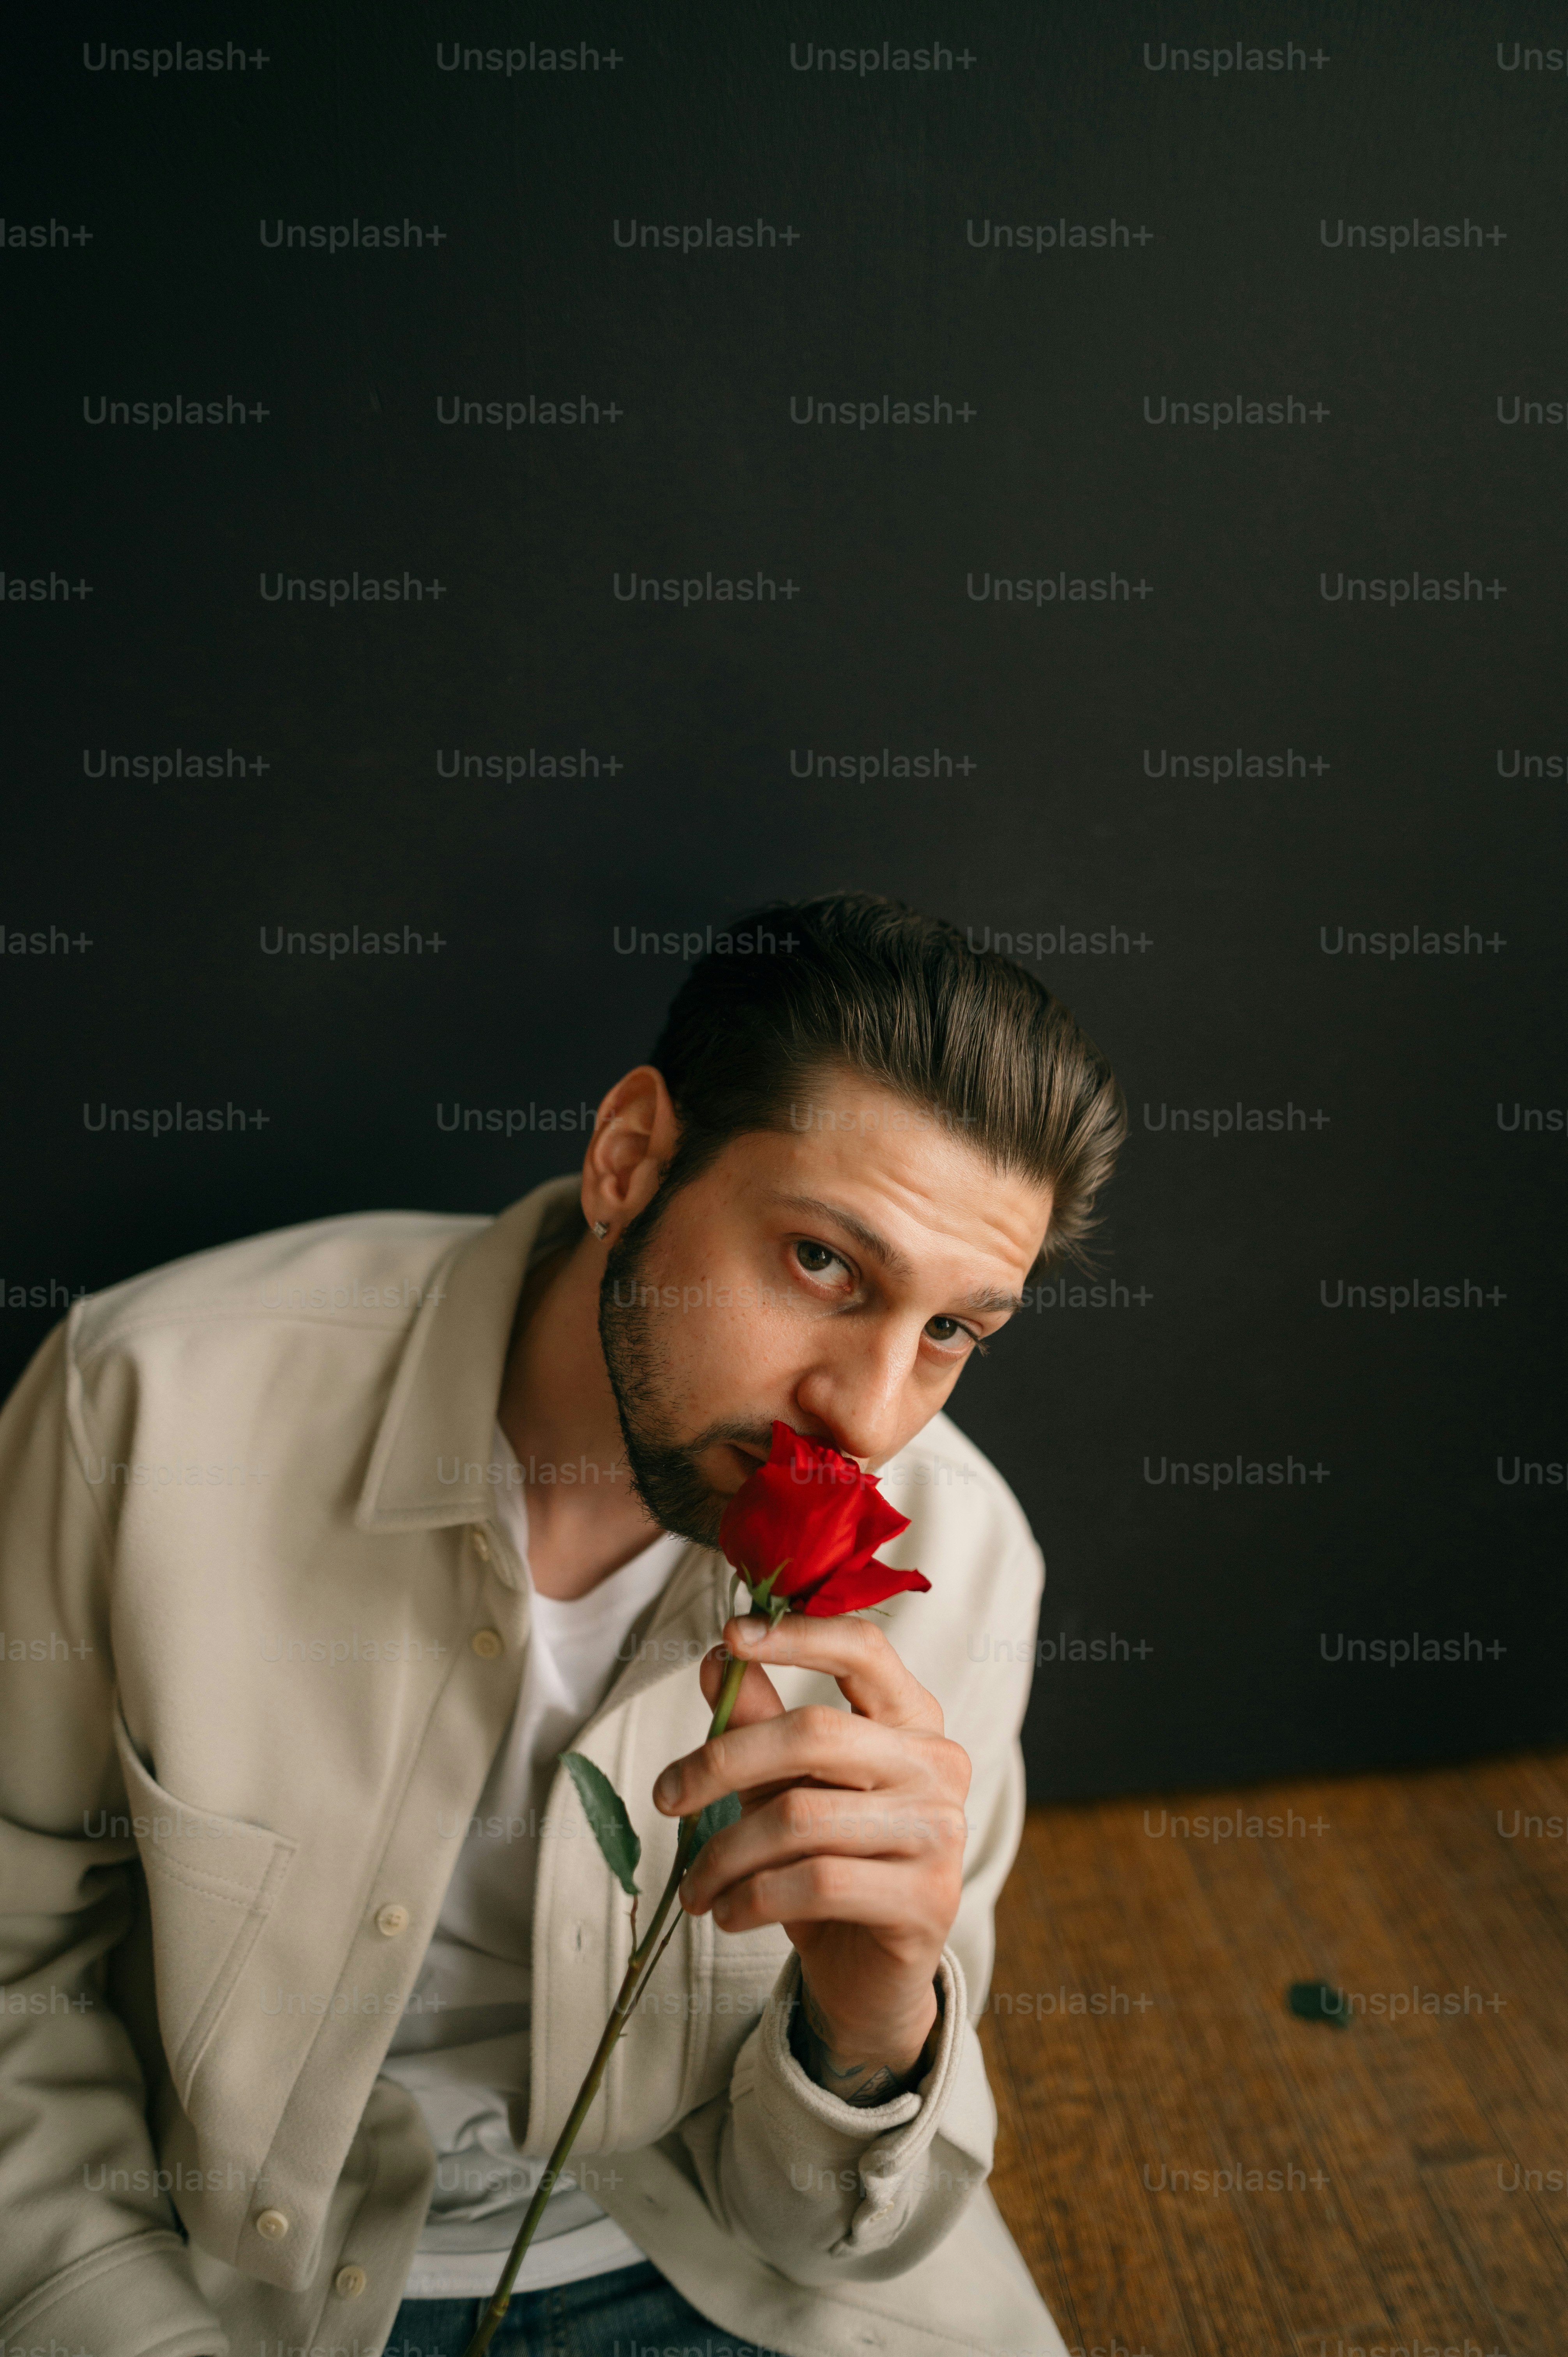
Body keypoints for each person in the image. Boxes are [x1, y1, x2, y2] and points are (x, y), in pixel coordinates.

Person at [0, 892, 1124, 2357]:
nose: (870, 1410)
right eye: (823, 1265)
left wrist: (872, 2028)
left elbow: (840, 2228)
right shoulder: (145, 1413)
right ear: (632, 1158)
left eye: (954, 1331)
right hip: (239, 2289)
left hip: (746, 2283)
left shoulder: (962, 1561)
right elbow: (20, 1986)